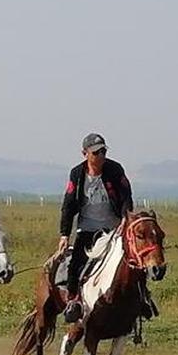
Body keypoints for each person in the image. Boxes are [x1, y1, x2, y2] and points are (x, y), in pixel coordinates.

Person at [57, 133, 134, 323]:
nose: (101, 156)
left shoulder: (115, 170)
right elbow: (68, 204)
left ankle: (140, 301)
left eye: (103, 151)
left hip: (113, 229)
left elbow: (126, 196)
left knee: (132, 262)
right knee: (76, 263)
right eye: (96, 152)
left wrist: (125, 217)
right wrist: (64, 234)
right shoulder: (77, 174)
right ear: (85, 154)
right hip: (87, 228)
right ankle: (74, 301)